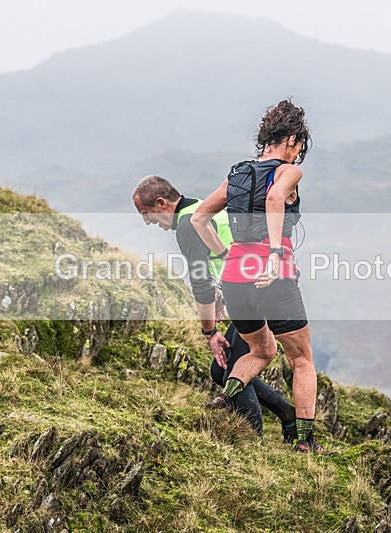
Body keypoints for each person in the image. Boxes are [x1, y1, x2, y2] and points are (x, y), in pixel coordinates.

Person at [191, 99, 322, 453]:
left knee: (261, 350)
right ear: (292, 139)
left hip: (235, 277)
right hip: (271, 275)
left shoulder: (236, 174)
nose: (297, 157)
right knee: (302, 360)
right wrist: (276, 254)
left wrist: (222, 253)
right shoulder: (287, 172)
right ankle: (305, 442)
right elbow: (276, 197)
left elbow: (198, 218)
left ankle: (224, 398)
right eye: (299, 149)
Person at [132, 176, 297, 441]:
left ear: (161, 203)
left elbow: (201, 283)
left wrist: (210, 333)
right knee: (219, 370)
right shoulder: (196, 207)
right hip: (256, 286)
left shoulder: (187, 225)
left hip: (256, 290)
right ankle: (287, 413)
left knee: (233, 367)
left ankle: (251, 440)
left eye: (146, 213)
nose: (147, 221)